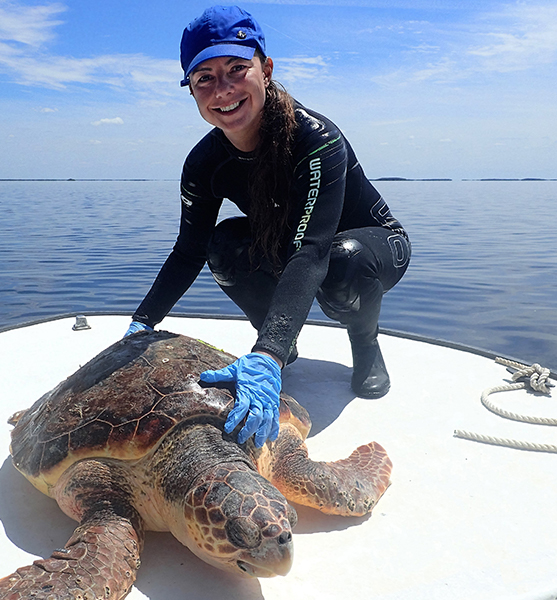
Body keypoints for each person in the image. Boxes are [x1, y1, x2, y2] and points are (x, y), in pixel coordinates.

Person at [125, 5, 410, 449]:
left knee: (342, 263)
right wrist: (142, 324)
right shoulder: (204, 163)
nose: (223, 90)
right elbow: (189, 250)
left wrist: (266, 354)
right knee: (222, 244)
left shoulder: (316, 139)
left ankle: (364, 345)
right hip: (294, 243)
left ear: (266, 68)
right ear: (192, 91)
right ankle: (280, 340)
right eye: (205, 78)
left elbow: (313, 250)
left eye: (237, 69)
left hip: (369, 245)